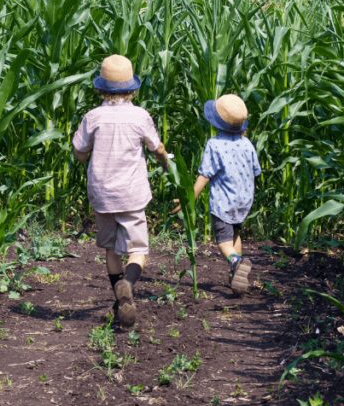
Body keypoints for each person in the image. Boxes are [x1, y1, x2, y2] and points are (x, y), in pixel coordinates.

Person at [72, 55, 168, 328]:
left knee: (111, 249)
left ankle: (118, 298)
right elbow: (156, 147)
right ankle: (128, 283)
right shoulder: (140, 116)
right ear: (132, 88)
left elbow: (79, 153)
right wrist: (164, 161)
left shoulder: (93, 117)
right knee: (138, 249)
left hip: (102, 194)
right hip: (132, 193)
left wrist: (88, 151)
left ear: (101, 88)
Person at [180, 94, 261, 294]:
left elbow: (204, 175)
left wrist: (190, 198)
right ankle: (236, 278)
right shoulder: (247, 144)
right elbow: (256, 171)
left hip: (224, 202)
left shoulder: (214, 145)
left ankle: (236, 262)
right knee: (235, 234)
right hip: (243, 200)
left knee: (223, 241)